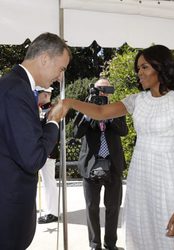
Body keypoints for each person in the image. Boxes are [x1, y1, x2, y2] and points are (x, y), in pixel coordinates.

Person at [62, 45, 174, 250]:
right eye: (138, 68)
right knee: (142, 235)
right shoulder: (136, 100)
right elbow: (100, 111)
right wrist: (69, 102)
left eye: (144, 67)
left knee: (167, 240)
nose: (139, 73)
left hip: (168, 178)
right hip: (140, 176)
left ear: (160, 67)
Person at [0, 32, 71, 249]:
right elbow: (32, 158)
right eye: (61, 69)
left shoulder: (14, 85)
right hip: (8, 212)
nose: (60, 77)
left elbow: (17, 138)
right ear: (44, 59)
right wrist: (54, 122)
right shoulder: (16, 90)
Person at [73, 79, 128, 250]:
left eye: (106, 90)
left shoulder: (117, 109)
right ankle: (94, 245)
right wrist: (90, 113)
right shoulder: (85, 108)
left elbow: (124, 131)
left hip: (113, 165)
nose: (102, 93)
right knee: (91, 207)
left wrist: (108, 115)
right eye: (99, 89)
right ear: (93, 90)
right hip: (90, 165)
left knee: (113, 207)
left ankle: (110, 244)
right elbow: (76, 132)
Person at [36, 86, 60, 224]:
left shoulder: (52, 110)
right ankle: (48, 208)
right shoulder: (39, 109)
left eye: (38, 94)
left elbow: (51, 132)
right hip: (40, 151)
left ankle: (52, 212)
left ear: (45, 95)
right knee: (45, 182)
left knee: (48, 182)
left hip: (48, 151)